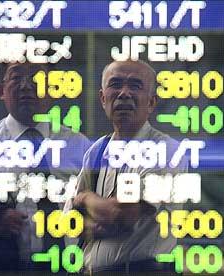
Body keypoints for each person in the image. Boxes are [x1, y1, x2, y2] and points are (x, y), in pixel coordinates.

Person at [0, 62, 91, 272]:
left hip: (66, 267)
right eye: (16, 77)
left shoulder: (78, 145)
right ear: (0, 90)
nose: (26, 86)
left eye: (37, 78)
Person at [66, 60, 188, 274]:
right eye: (115, 84)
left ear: (151, 102)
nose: (124, 93)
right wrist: (92, 218)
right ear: (103, 99)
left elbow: (122, 214)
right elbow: (71, 223)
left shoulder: (166, 150)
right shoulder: (96, 151)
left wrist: (86, 198)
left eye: (135, 86)